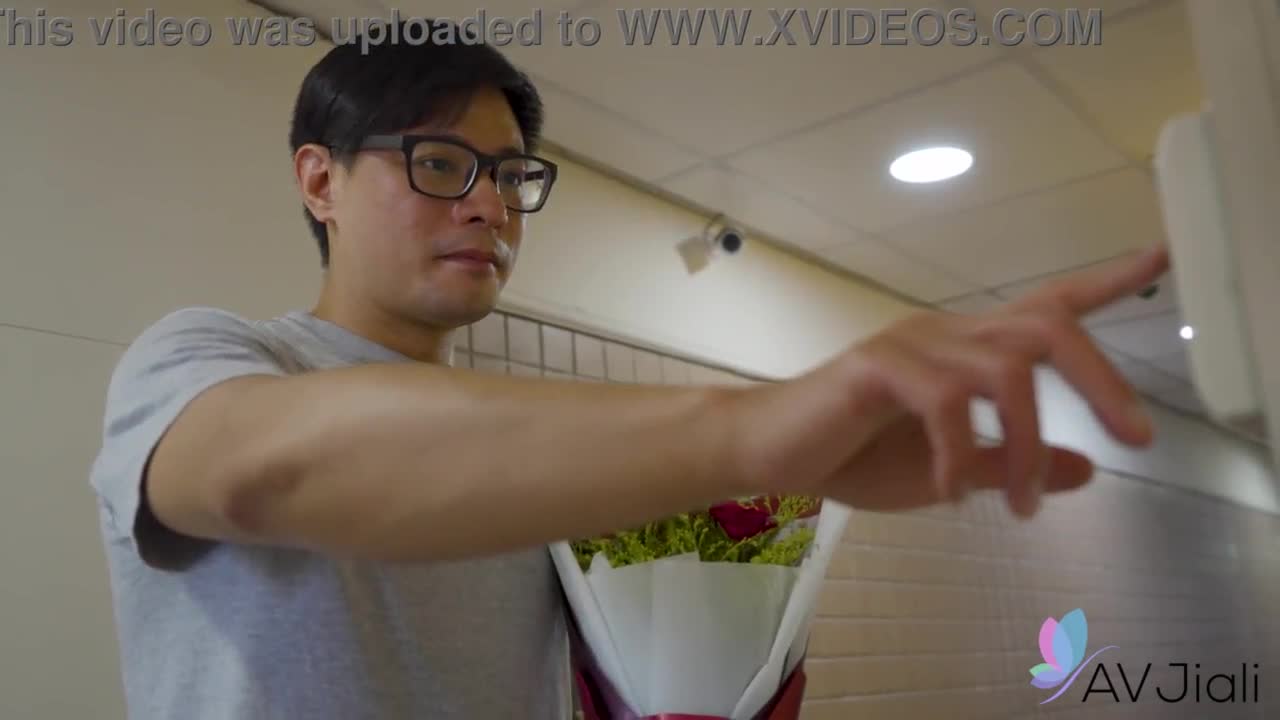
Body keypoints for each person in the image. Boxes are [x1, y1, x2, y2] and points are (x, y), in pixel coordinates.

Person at [88, 18, 1170, 720]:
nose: (490, 205)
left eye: (512, 176)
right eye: (441, 163)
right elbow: (261, 473)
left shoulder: (545, 451)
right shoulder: (205, 358)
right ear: (319, 181)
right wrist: (758, 429)